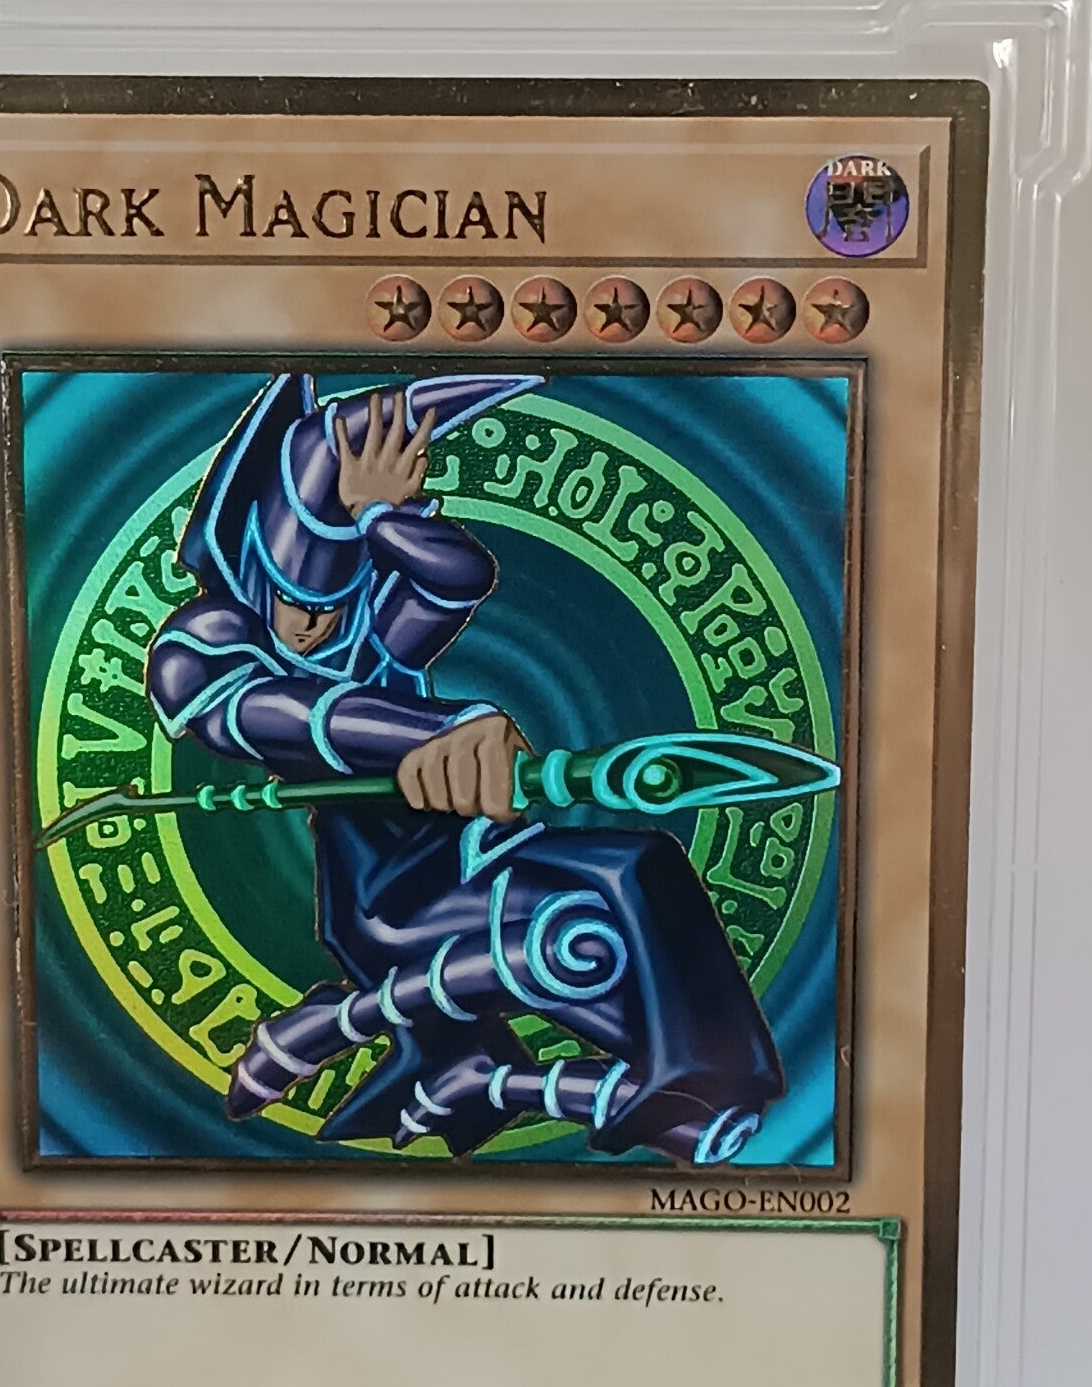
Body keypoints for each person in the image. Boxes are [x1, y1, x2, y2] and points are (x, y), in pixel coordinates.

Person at [145, 371, 782, 1165]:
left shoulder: (366, 633)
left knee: (638, 868)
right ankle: (397, 1042)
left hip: (466, 850)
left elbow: (458, 577)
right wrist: (433, 730)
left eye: (333, 605)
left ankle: (675, 1077)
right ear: (252, 571)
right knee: (578, 942)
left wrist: (380, 515)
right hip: (386, 895)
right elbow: (272, 713)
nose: (314, 626)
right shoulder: (208, 645)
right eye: (294, 603)